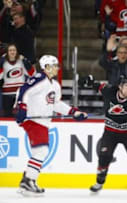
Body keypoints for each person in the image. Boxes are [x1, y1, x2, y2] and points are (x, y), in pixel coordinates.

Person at [14, 55, 88, 196]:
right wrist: (21, 108)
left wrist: (73, 112)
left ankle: (27, 181)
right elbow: (24, 91)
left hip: (42, 122)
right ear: (47, 67)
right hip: (33, 120)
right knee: (42, 151)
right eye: (55, 65)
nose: (58, 68)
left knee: (39, 152)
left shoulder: (54, 85)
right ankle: (29, 180)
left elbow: (56, 104)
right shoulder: (39, 78)